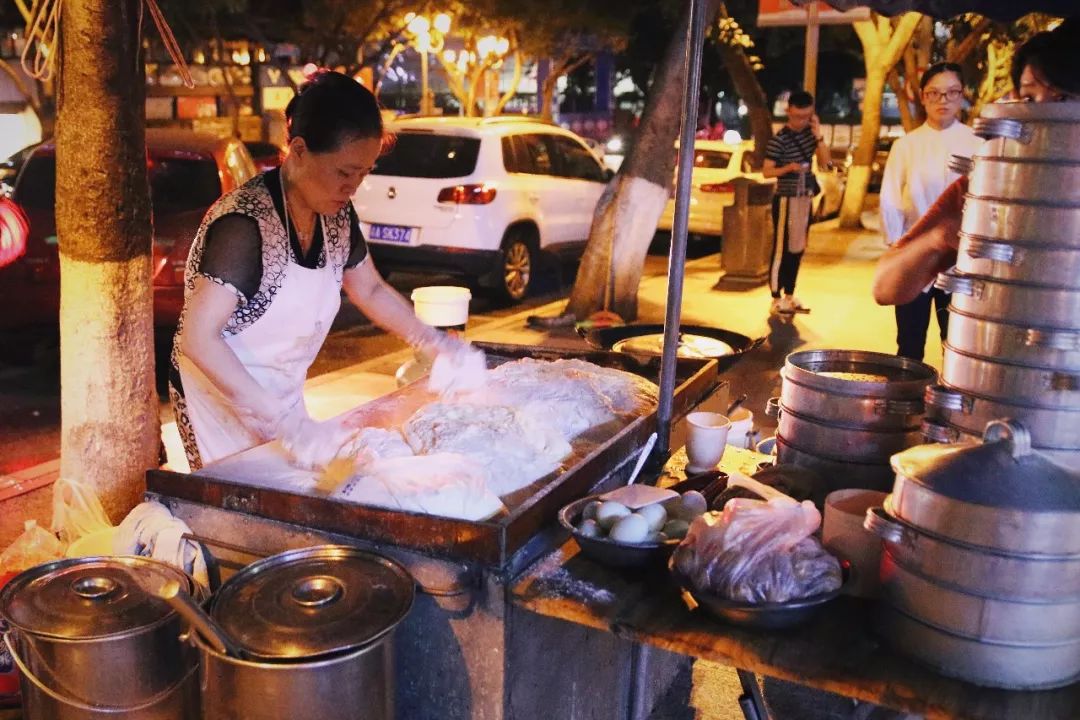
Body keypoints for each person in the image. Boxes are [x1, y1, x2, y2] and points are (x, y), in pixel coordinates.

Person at [169, 71, 470, 471]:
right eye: (344, 172)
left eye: (364, 174)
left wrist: (435, 343)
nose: (352, 187)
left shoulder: (337, 214)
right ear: (298, 150)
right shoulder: (243, 223)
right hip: (219, 395)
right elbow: (197, 337)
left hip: (282, 393)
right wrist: (281, 422)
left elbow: (372, 290)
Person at [873, 20, 1079, 306]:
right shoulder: (987, 183)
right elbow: (885, 289)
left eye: (1062, 99)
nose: (1041, 114)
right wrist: (937, 239)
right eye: (1030, 98)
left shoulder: (972, 140)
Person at [878, 62, 981, 361]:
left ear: (962, 96)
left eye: (951, 93)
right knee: (909, 344)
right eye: (934, 93)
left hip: (961, 260)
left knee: (958, 344)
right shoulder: (907, 146)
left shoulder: (977, 144)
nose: (943, 100)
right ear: (922, 97)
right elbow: (891, 199)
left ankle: (952, 405)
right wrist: (897, 248)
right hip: (915, 258)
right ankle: (909, 403)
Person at [762, 90, 832, 315]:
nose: (801, 122)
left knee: (798, 247)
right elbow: (766, 171)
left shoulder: (811, 136)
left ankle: (790, 294)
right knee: (781, 248)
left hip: (805, 197)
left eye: (806, 117)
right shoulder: (779, 139)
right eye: (797, 117)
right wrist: (789, 168)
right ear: (788, 111)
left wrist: (818, 135)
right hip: (785, 198)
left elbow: (826, 163)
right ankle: (775, 296)